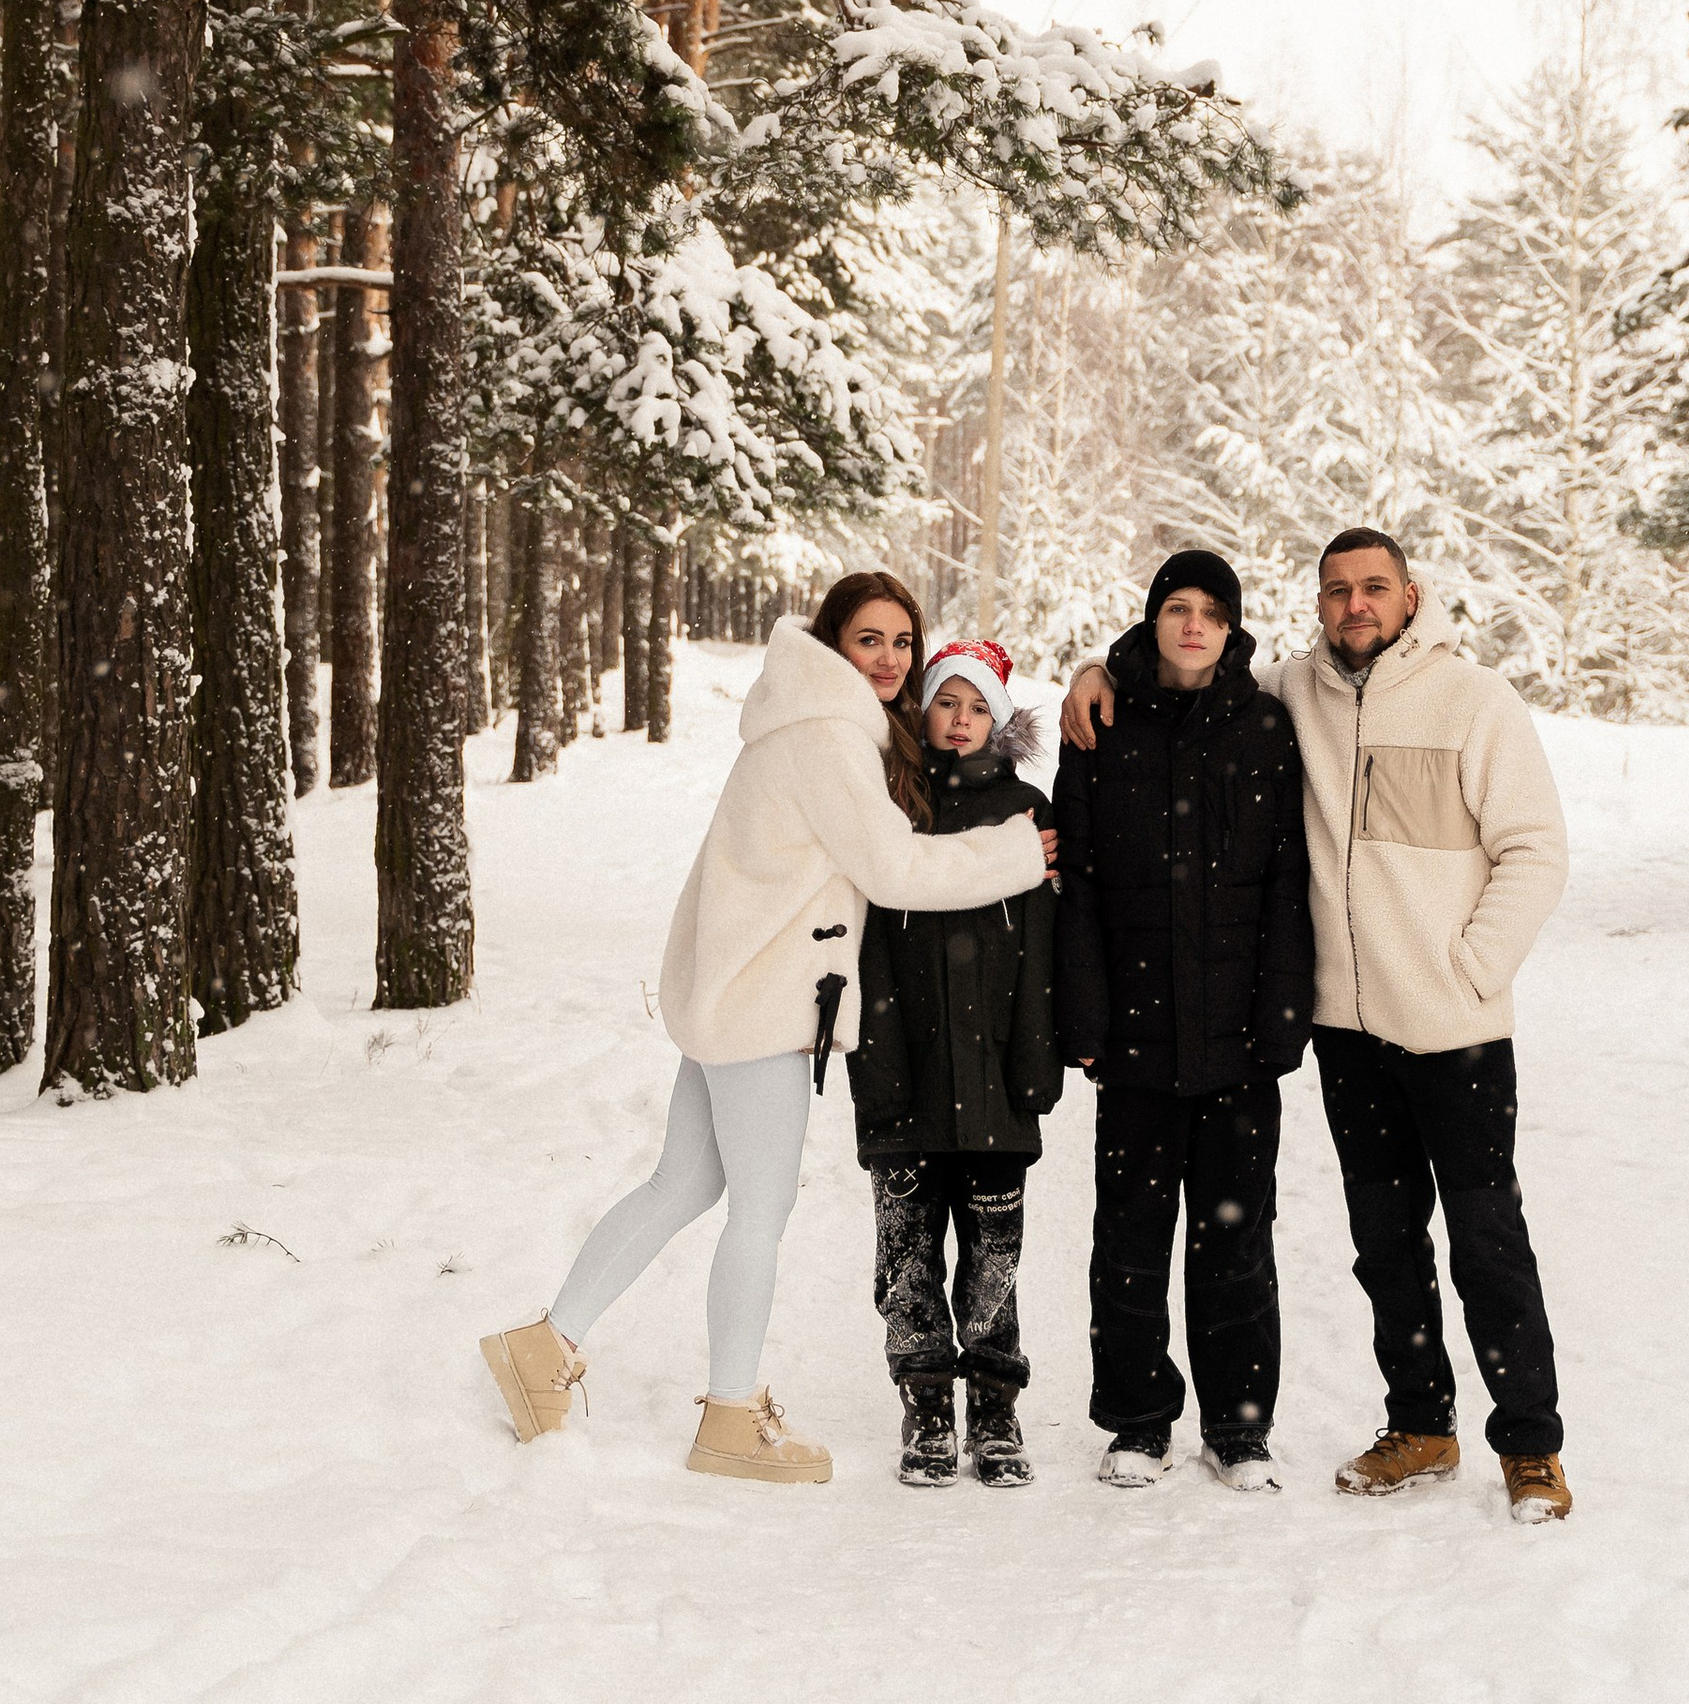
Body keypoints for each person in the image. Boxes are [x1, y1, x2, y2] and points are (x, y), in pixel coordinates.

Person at [480, 573, 1052, 1485]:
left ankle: (544, 1347)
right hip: (763, 1003)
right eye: (871, 640)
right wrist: (1019, 853)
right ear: (834, 643)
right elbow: (895, 869)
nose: (891, 659)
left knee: (682, 1184)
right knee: (760, 1210)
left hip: (733, 989)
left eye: (903, 642)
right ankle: (731, 1415)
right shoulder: (827, 736)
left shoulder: (803, 720)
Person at [1060, 529, 1574, 1524]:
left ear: (1410, 596)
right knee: (1385, 1246)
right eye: (1337, 590)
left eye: (1373, 588)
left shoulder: (1473, 700)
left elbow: (1535, 853)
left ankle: (1531, 1445)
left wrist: (1466, 969)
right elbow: (1181, 664)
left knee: (1486, 1238)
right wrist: (1095, 671)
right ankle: (1420, 1424)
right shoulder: (1293, 695)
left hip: (1455, 1026)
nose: (1355, 605)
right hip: (1345, 1030)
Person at [1052, 549, 1311, 1492]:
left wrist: (1283, 1020)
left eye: (1212, 610)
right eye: (1178, 608)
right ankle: (1137, 1419)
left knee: (1236, 1235)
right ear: (1153, 618)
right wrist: (1082, 1016)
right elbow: (1073, 884)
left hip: (1240, 1038)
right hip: (1133, 1038)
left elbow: (1290, 882)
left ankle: (1238, 1428)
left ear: (1234, 626)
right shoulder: (1102, 727)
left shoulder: (1266, 728)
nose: (1194, 625)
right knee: (1129, 1236)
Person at [849, 633, 1057, 1491]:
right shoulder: (890, 807)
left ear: (999, 723)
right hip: (903, 1072)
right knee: (906, 1254)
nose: (961, 720)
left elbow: (1041, 953)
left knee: (994, 1253)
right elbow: (869, 955)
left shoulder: (1027, 814)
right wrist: (876, 1063)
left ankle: (996, 1400)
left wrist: (1035, 1061)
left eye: (979, 707)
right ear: (923, 713)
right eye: (947, 702)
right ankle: (927, 1395)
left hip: (999, 1082)